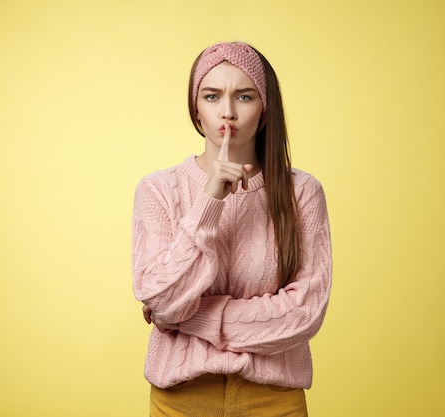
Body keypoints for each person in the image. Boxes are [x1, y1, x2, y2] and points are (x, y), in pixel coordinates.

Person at [132, 41, 332, 417]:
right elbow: (160, 297)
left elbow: (303, 313)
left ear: (265, 110)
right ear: (196, 110)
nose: (227, 112)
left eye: (244, 96)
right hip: (182, 398)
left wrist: (189, 317)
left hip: (273, 400)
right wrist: (210, 201)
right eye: (212, 96)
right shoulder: (158, 190)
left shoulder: (302, 192)